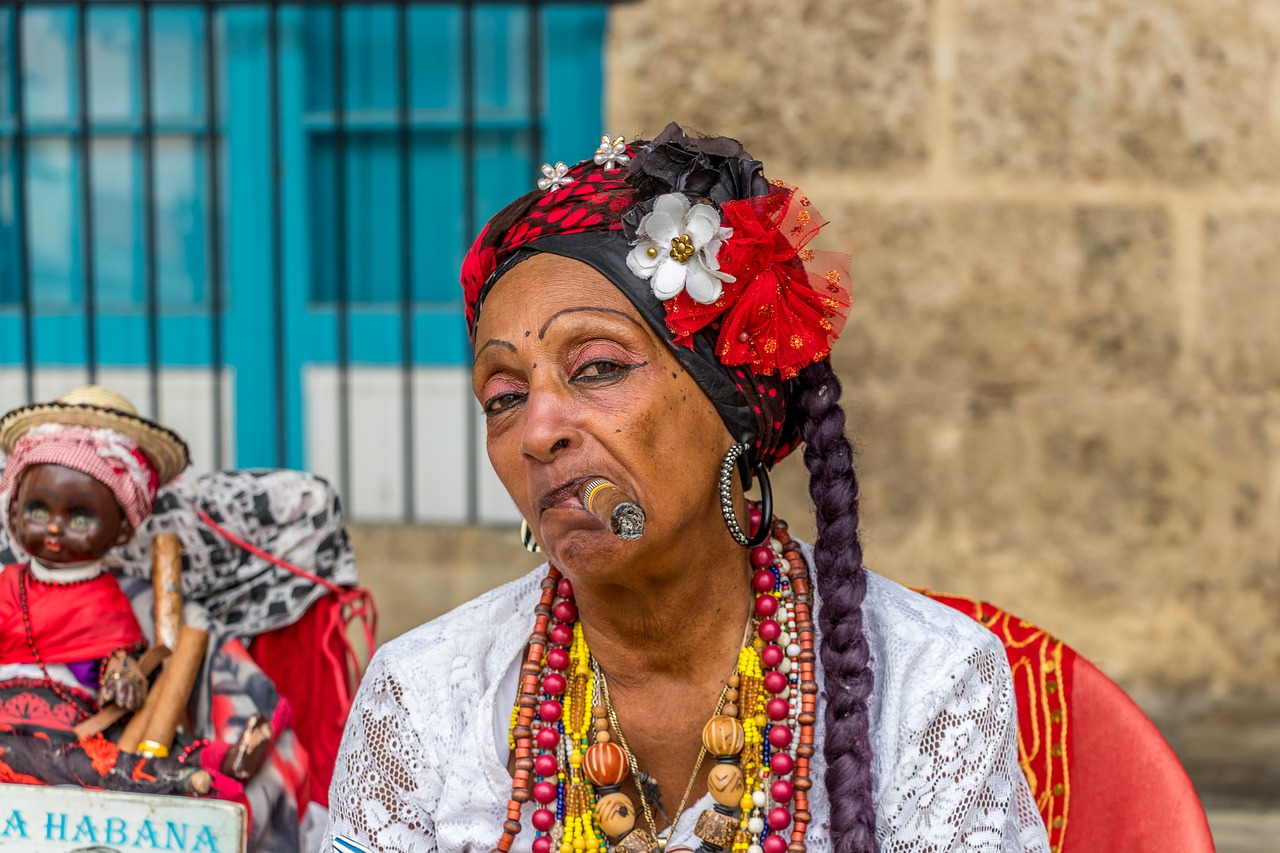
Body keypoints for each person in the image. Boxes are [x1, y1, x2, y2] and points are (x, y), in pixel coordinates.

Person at [324, 125, 1051, 853]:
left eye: (599, 367)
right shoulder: (422, 698)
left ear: (731, 404)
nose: (537, 432)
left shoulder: (927, 682)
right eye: (504, 397)